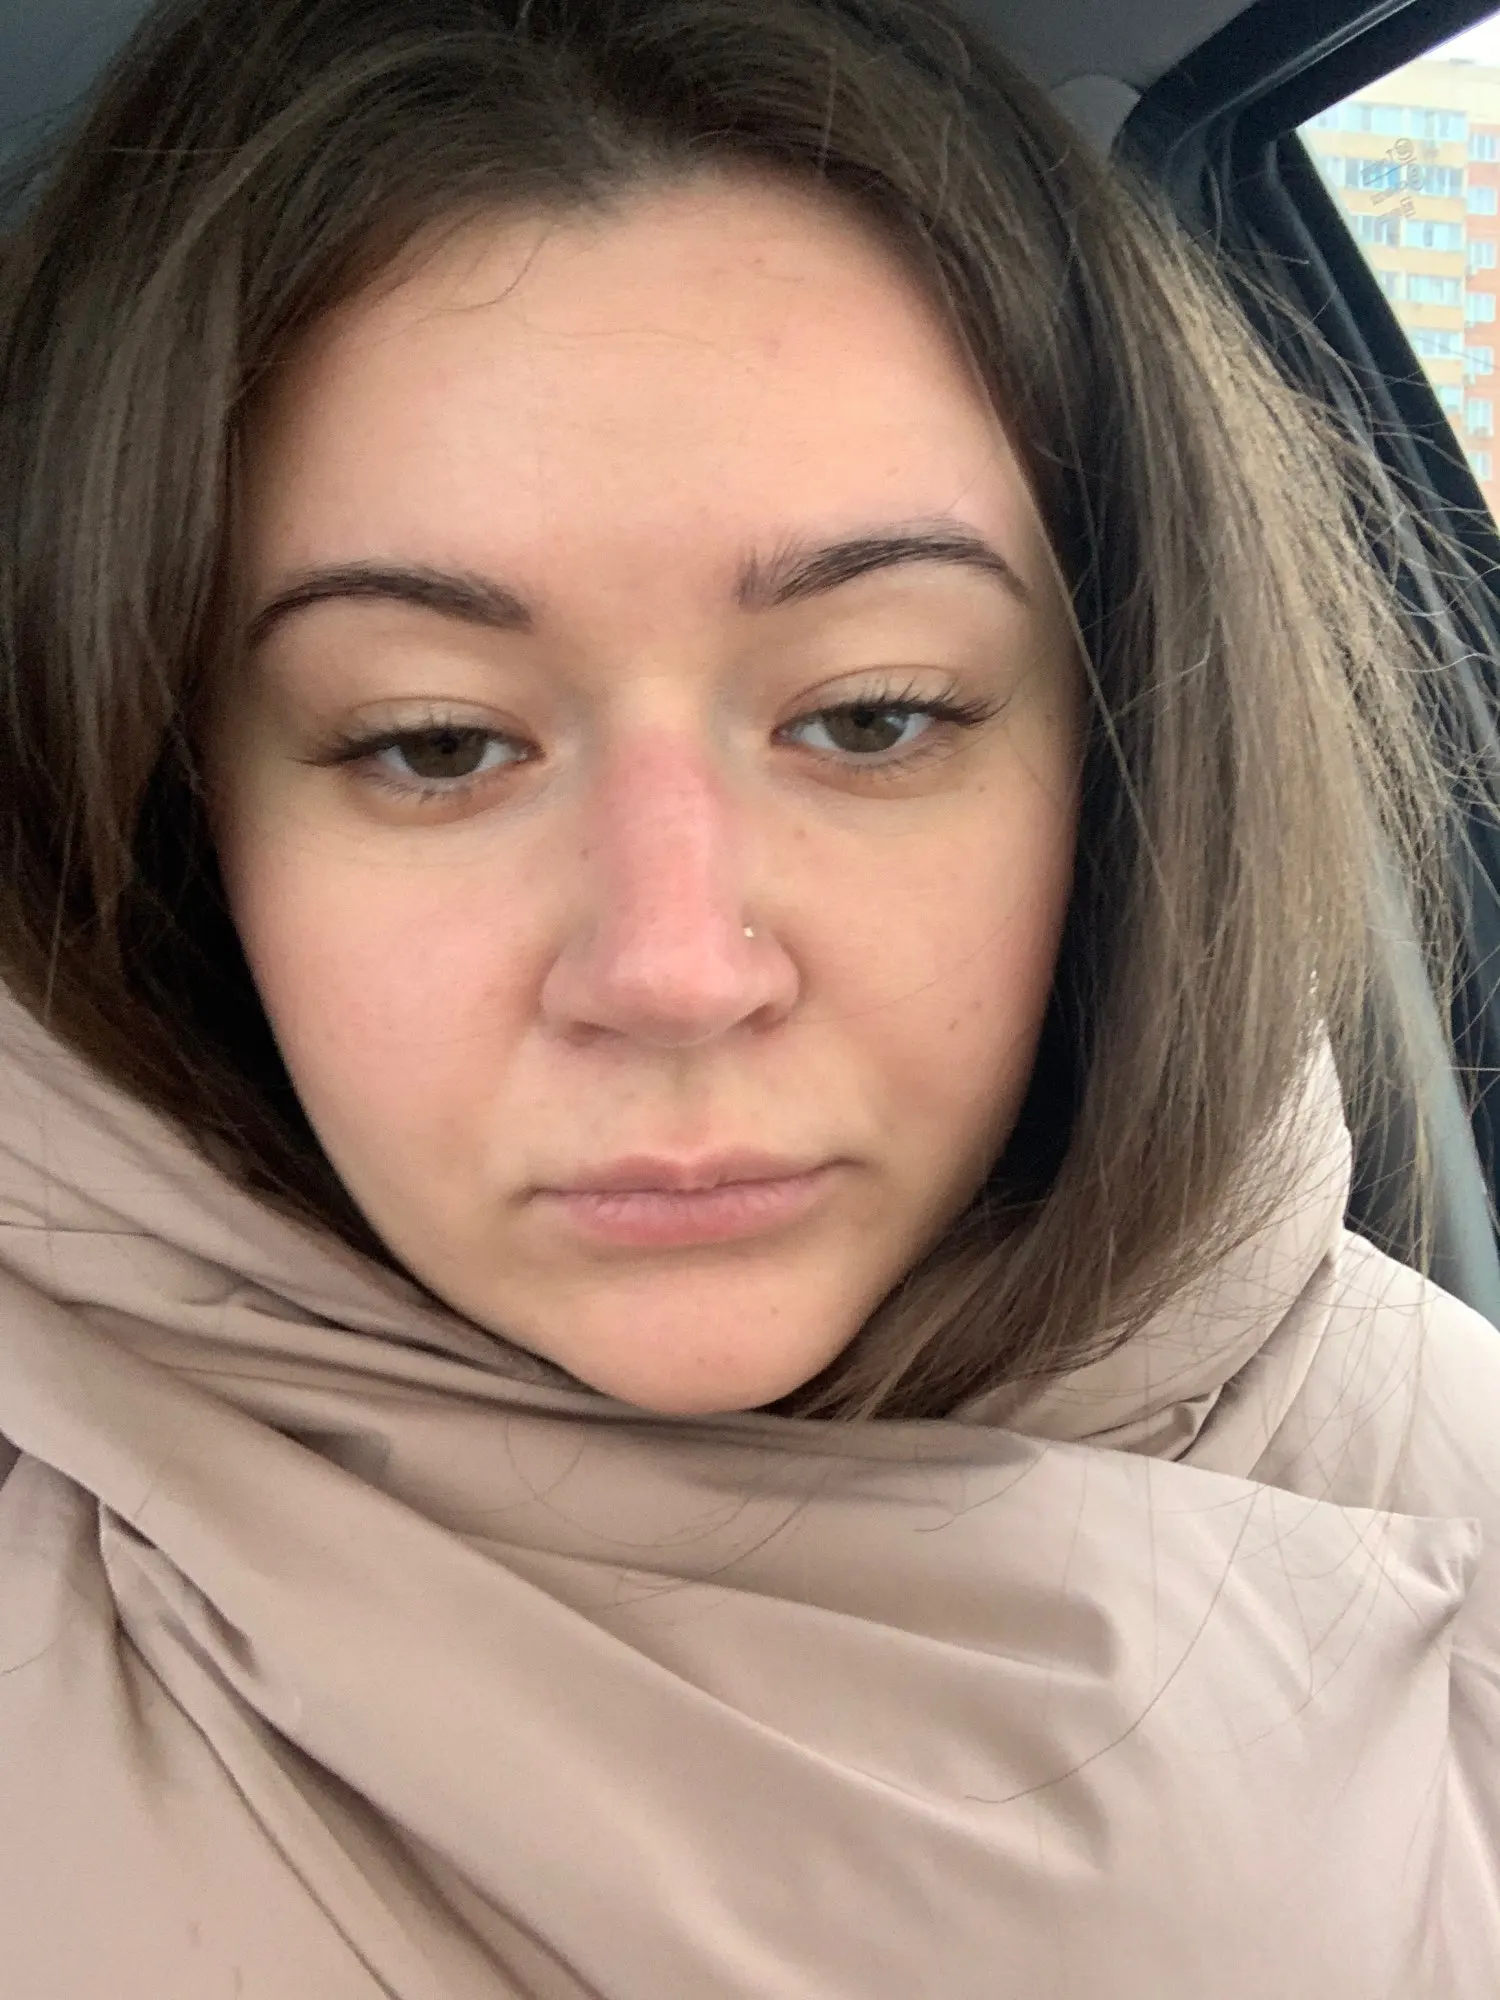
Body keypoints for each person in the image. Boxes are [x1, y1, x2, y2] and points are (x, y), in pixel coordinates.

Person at [0, 0, 1496, 1991]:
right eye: (434, 742)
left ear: (1128, 762)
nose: (675, 969)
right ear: (166, 826)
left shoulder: (1446, 1455)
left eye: (874, 714)